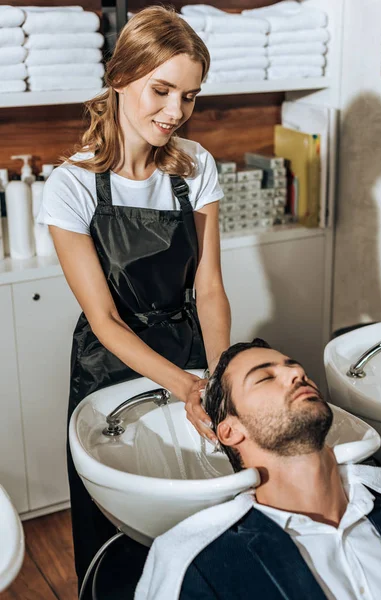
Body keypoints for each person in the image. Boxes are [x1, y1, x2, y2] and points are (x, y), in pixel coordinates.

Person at [38, 6, 229, 590]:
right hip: (109, 365)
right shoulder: (70, 185)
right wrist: (186, 386)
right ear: (120, 78)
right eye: (161, 90)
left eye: (190, 96)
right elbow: (104, 318)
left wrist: (218, 376)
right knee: (118, 525)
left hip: (192, 348)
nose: (176, 112)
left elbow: (211, 287)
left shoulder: (195, 166)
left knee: (199, 510)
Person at [136, 338, 381, 600]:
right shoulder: (203, 567)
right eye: (264, 378)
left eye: (296, 367)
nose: (297, 372)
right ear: (229, 430)